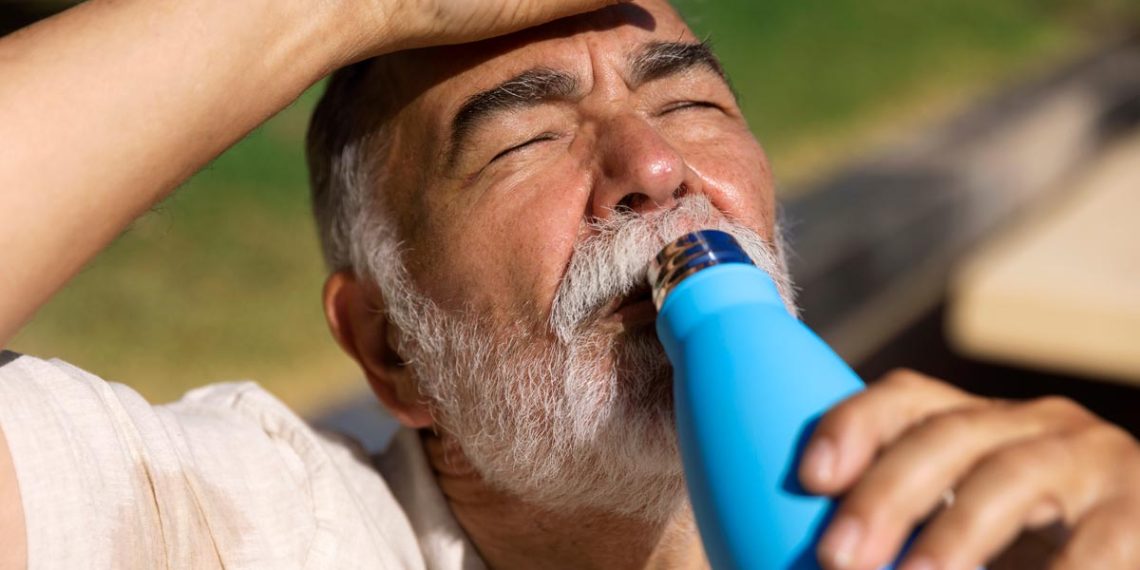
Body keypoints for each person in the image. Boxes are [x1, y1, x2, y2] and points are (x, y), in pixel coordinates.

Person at [1, 0, 1138, 568]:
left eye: (690, 104)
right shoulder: (253, 527)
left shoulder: (981, 524)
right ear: (390, 348)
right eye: (522, 143)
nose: (652, 168)